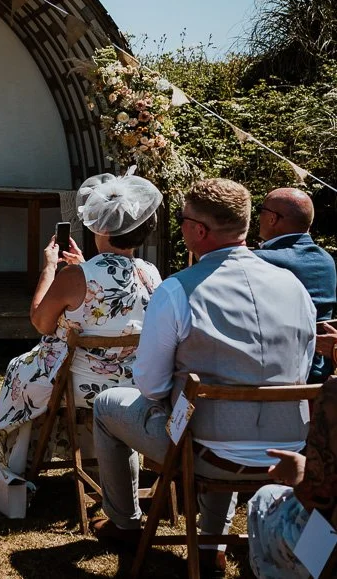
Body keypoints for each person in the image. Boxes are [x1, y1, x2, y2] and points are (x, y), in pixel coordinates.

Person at [91, 178, 315, 577]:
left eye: (181, 220)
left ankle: (124, 522)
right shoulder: (295, 288)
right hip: (289, 451)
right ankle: (211, 543)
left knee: (109, 405)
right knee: (213, 416)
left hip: (209, 452)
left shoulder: (178, 290)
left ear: (198, 230)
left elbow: (151, 385)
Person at [0, 171, 164, 500]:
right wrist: (83, 267)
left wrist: (51, 268)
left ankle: (14, 466)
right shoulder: (151, 273)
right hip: (130, 386)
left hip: (74, 384)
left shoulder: (76, 274)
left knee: (20, 367)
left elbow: (40, 322)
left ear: (101, 227)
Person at [248, 375, 337, 579]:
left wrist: (300, 472)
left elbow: (320, 502)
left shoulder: (333, 397)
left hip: (328, 555)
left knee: (263, 500)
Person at [255, 187, 337, 382]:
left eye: (260, 211)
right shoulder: (326, 260)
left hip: (279, 374)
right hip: (321, 371)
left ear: (272, 218)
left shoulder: (259, 261)